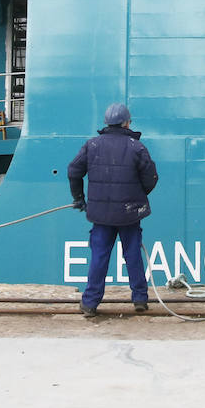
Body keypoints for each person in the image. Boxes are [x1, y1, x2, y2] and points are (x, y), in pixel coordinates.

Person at [67, 102, 158, 316]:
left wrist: (79, 198)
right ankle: (140, 299)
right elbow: (151, 178)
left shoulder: (92, 145)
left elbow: (73, 171)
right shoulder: (137, 147)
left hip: (101, 215)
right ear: (126, 123)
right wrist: (137, 195)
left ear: (107, 122)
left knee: (99, 256)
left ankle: (90, 303)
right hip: (129, 214)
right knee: (133, 254)